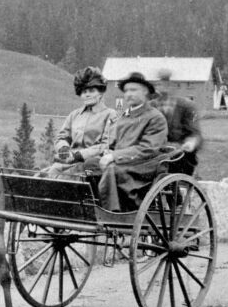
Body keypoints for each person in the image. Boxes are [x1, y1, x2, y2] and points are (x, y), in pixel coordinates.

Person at [97, 71, 169, 210]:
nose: (128, 94)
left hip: (144, 166)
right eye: (126, 90)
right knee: (88, 165)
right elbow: (112, 142)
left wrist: (114, 156)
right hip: (123, 162)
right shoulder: (124, 116)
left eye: (134, 90)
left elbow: (147, 149)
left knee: (112, 169)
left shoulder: (155, 117)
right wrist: (108, 152)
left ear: (146, 93)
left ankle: (112, 213)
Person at [41, 66, 116, 178]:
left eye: (91, 90)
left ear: (100, 92)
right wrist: (63, 148)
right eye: (84, 91)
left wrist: (79, 155)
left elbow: (107, 145)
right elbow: (62, 137)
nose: (87, 94)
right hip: (67, 162)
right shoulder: (74, 115)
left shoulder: (110, 114)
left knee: (63, 180)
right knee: (42, 177)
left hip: (90, 166)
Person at [152, 88, 202, 176]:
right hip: (153, 151)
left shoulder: (186, 105)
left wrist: (191, 142)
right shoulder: (150, 106)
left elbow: (195, 133)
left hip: (179, 154)